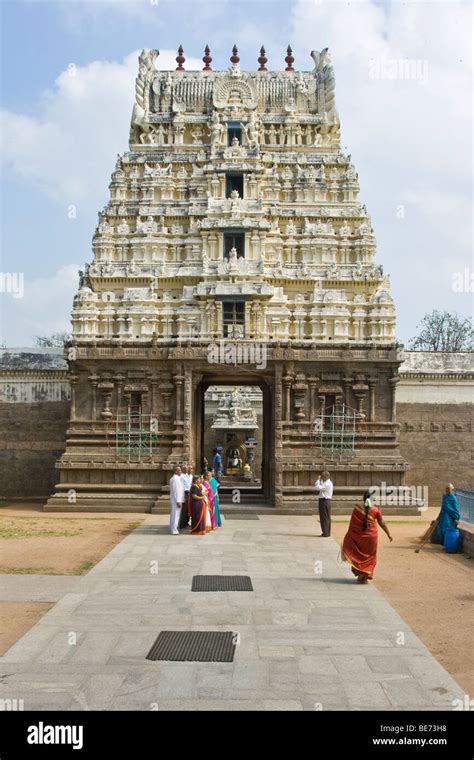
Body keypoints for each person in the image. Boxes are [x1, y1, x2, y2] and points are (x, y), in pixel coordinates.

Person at [342, 489, 393, 583]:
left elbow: (352, 525)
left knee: (359, 555)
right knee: (370, 557)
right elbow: (382, 522)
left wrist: (350, 536)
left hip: (358, 537)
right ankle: (364, 576)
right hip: (371, 537)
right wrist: (388, 533)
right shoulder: (376, 509)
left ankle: (360, 574)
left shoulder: (357, 508)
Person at [314, 470, 333, 537]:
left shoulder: (328, 484)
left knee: (324, 517)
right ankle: (326, 532)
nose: (321, 477)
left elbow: (317, 488)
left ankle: (326, 532)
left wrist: (318, 480)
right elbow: (321, 485)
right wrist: (320, 480)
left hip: (325, 501)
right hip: (325, 501)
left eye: (322, 476)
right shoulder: (326, 482)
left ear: (325, 477)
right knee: (325, 517)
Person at [169, 466, 184, 535]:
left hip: (176, 499)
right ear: (175, 471)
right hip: (176, 499)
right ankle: (174, 529)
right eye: (179, 470)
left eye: (180, 470)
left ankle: (173, 527)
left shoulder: (176, 478)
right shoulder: (175, 479)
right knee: (175, 515)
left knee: (174, 514)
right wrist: (178, 500)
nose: (181, 471)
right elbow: (176, 491)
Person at [178, 464, 192, 530]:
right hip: (184, 493)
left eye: (187, 468)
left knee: (187, 509)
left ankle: (186, 522)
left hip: (188, 493)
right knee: (184, 509)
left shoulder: (187, 476)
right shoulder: (181, 476)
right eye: (185, 468)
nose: (186, 469)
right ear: (182, 469)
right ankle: (182, 524)